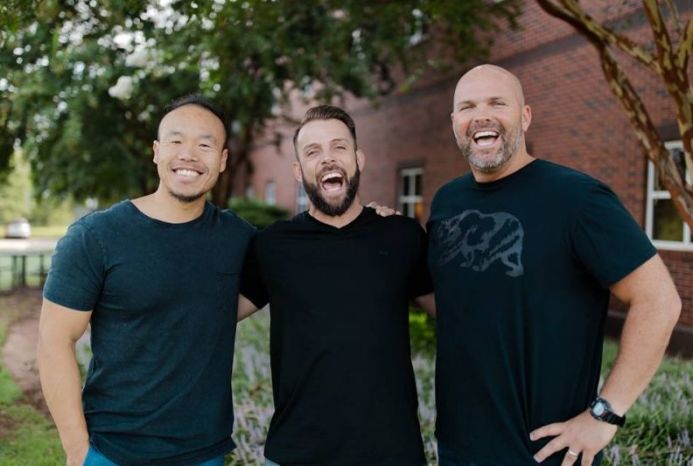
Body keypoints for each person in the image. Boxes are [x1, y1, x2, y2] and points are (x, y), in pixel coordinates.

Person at [427, 64, 681, 466]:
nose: (482, 115)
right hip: (458, 451)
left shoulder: (577, 198)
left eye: (497, 102)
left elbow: (659, 301)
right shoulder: (446, 203)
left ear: (525, 116)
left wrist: (606, 414)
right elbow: (447, 294)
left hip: (547, 455)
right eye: (468, 106)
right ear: (456, 121)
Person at [37, 95, 255, 466]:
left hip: (204, 453)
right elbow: (54, 340)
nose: (188, 154)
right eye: (175, 141)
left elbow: (297, 261)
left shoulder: (238, 238)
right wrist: (78, 450)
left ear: (221, 160)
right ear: (156, 151)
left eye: (205, 144)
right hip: (112, 451)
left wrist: (375, 219)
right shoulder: (97, 236)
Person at [237, 105, 435, 466]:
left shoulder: (403, 236)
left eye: (338, 147)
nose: (328, 159)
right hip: (297, 452)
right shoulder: (273, 245)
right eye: (313, 152)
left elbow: (463, 314)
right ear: (298, 172)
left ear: (358, 159)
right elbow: (209, 313)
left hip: (391, 453)